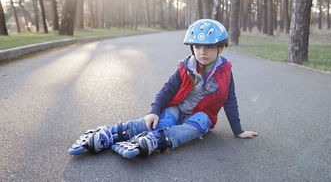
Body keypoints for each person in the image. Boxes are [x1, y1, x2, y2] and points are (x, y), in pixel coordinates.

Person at [68, 19, 258, 158]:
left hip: (199, 115)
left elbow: (229, 99)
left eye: (209, 47)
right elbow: (167, 90)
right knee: (162, 120)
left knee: (201, 124)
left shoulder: (225, 71)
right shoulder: (186, 67)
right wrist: (154, 111)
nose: (202, 52)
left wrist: (238, 130)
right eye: (198, 47)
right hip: (177, 108)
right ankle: (116, 132)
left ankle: (158, 140)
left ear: (221, 48)